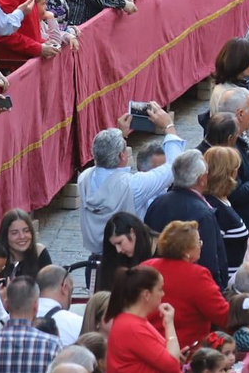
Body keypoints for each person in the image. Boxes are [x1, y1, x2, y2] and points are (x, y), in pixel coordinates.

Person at [77, 110, 183, 249]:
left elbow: (104, 159)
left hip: (96, 257)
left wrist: (120, 135)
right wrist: (169, 126)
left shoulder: (84, 178)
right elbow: (173, 167)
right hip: (126, 257)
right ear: (122, 156)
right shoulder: (133, 185)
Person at [143, 149, 228, 291]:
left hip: (158, 285)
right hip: (192, 289)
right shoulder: (202, 213)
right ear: (201, 179)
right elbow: (209, 262)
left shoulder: (158, 202)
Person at [143, 221, 229, 350]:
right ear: (186, 251)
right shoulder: (197, 275)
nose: (201, 246)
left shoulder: (146, 266)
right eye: (198, 242)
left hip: (147, 346)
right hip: (185, 351)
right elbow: (222, 315)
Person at [104, 266, 184, 373]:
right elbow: (172, 364)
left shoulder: (135, 322)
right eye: (160, 289)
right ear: (146, 294)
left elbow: (166, 357)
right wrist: (169, 324)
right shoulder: (131, 328)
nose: (163, 294)